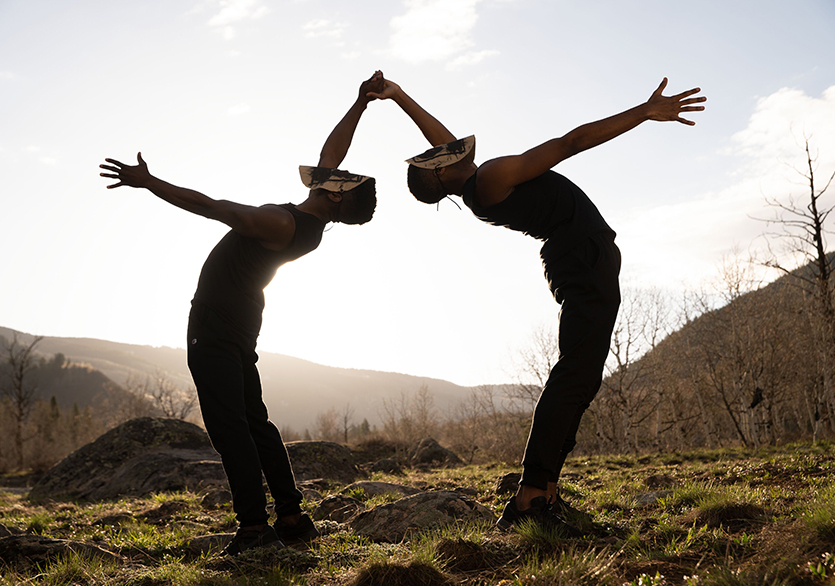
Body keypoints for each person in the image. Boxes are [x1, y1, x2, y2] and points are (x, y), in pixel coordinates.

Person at [368, 75, 706, 531]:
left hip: (582, 257)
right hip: (580, 260)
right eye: (433, 159)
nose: (440, 148)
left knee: (581, 379)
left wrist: (399, 96)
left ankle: (545, 493)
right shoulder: (489, 178)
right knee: (573, 377)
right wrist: (643, 113)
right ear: (440, 175)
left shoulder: (476, 181)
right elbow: (571, 142)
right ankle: (530, 498)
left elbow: (443, 141)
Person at [99, 71, 384, 555]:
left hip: (215, 325)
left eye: (343, 177)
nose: (336, 169)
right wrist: (361, 104)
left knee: (231, 426)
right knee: (255, 424)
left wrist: (148, 183)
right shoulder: (307, 221)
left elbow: (210, 206)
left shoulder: (280, 222)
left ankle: (254, 529)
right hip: (240, 323)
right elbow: (331, 155)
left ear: (336, 195)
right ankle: (292, 518)